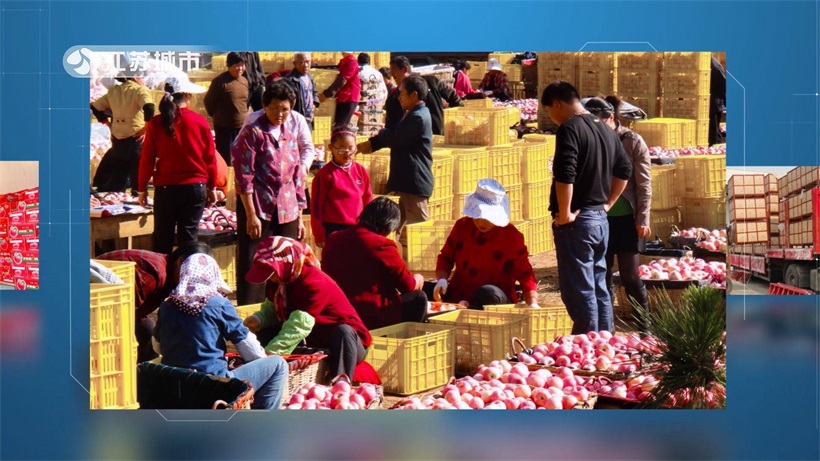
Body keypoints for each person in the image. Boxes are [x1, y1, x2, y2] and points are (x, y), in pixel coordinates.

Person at [542, 81, 632, 334]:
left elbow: (565, 173)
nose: (552, 117)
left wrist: (566, 212)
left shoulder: (570, 128)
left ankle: (588, 343)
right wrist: (608, 204)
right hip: (599, 220)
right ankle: (606, 340)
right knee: (599, 284)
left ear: (557, 104)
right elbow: (624, 169)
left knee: (580, 289)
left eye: (549, 110)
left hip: (578, 222)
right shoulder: (605, 128)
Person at [153, 253, 288, 410]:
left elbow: (157, 346)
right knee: (278, 365)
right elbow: (251, 351)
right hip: (214, 386)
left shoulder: (167, 306)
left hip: (176, 384)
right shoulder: (218, 303)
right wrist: (260, 361)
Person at [242, 236, 372, 379]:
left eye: (271, 273)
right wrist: (258, 320)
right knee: (262, 332)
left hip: (348, 346)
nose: (270, 279)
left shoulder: (314, 281)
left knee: (343, 331)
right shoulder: (279, 279)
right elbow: (273, 308)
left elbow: (299, 326)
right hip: (315, 339)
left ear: (286, 263)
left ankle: (340, 383)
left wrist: (269, 357)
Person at [231, 82, 308, 305]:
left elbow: (296, 177)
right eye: (274, 108)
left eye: (285, 109)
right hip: (258, 207)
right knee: (255, 261)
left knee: (286, 259)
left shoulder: (290, 134)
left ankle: (281, 309)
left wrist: (300, 217)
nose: (280, 114)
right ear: (264, 107)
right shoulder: (253, 132)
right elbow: (244, 177)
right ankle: (251, 315)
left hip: (288, 209)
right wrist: (251, 215)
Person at [584, 96, 652, 321]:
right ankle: (607, 324)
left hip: (626, 217)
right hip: (599, 217)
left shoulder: (632, 141)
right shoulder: (591, 139)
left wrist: (643, 218)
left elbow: (643, 183)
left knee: (630, 275)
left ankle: (645, 323)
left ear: (611, 118)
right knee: (601, 275)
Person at [96, 241, 212, 363]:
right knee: (141, 334)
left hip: (121, 307)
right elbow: (124, 312)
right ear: (180, 262)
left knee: (148, 331)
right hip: (97, 305)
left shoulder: (169, 275)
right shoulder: (156, 273)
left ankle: (142, 372)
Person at [138, 76, 218, 254]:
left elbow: (147, 159)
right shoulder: (199, 121)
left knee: (162, 239)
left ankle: (163, 280)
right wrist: (212, 187)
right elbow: (210, 158)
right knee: (189, 240)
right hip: (195, 187)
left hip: (166, 189)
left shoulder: (156, 123)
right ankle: (187, 277)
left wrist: (142, 188)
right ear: (187, 96)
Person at [322, 197, 428, 330]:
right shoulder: (382, 245)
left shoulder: (334, 239)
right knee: (419, 298)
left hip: (337, 311)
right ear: (387, 226)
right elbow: (408, 285)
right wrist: (418, 279)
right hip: (371, 315)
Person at [432, 179, 538, 310]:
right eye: (477, 215)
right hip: (460, 293)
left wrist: (532, 301)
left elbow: (525, 272)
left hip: (494, 298)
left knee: (487, 293)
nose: (481, 222)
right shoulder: (462, 226)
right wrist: (442, 279)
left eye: (487, 217)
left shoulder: (511, 236)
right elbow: (446, 256)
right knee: (422, 291)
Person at [357, 75, 433, 255]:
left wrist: (380, 135)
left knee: (420, 227)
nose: (399, 97)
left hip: (413, 181)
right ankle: (395, 261)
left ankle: (425, 265)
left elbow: (395, 138)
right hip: (404, 180)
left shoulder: (418, 117)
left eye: (402, 93)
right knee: (394, 226)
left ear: (414, 95)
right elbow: (395, 133)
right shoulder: (414, 113)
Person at [90, 71, 155, 194]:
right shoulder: (139, 90)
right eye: (141, 77)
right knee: (138, 180)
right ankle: (138, 201)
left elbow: (95, 107)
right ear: (135, 77)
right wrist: (146, 128)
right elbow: (149, 108)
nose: (143, 80)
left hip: (117, 140)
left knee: (118, 180)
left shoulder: (114, 91)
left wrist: (108, 124)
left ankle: (116, 204)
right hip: (135, 138)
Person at [310, 127, 372, 248]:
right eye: (341, 149)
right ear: (331, 148)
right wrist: (319, 233)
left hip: (357, 227)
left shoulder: (361, 171)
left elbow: (367, 200)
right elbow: (317, 206)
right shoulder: (325, 174)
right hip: (333, 229)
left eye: (351, 148)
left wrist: (369, 226)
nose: (347, 152)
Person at [383, 56, 460, 135]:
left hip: (437, 135)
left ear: (405, 70)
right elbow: (390, 127)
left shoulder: (431, 82)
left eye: (394, 72)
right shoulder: (393, 99)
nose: (391, 75)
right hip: (413, 141)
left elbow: (454, 98)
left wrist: (451, 121)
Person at [204, 52, 249, 166]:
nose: (240, 68)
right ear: (228, 66)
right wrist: (218, 116)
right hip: (225, 128)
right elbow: (209, 101)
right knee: (226, 160)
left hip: (241, 127)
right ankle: (226, 183)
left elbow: (245, 102)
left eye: (242, 65)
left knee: (241, 158)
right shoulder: (220, 82)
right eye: (236, 65)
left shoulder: (244, 81)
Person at [319, 52, 361, 129]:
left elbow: (343, 79)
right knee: (338, 124)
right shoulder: (343, 61)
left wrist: (327, 94)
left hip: (349, 97)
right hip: (342, 97)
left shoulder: (352, 62)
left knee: (341, 126)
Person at [280, 52, 320, 129]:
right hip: (295, 121)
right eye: (301, 62)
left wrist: (314, 103)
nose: (305, 65)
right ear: (294, 63)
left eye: (307, 62)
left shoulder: (309, 77)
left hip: (308, 119)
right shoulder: (289, 80)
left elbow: (314, 92)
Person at [357, 53, 388, 135]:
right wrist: (380, 104)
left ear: (358, 61)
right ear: (369, 62)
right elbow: (384, 91)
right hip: (376, 109)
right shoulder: (378, 73)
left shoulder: (357, 71)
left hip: (360, 109)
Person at [709, 55, 727, 145]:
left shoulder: (713, 64)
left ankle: (716, 151)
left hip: (714, 104)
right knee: (710, 133)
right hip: (709, 104)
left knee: (713, 134)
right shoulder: (709, 62)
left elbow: (723, 83)